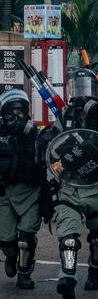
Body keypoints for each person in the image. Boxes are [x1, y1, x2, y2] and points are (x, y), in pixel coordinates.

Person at [45, 68, 98, 299]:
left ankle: (95, 270)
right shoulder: (65, 115)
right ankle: (67, 278)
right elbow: (53, 143)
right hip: (70, 183)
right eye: (76, 89)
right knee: (69, 238)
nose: (81, 95)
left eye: (85, 88)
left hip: (97, 183)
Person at [0, 90, 43, 289]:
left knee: (26, 237)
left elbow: (46, 162)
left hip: (29, 191)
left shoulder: (34, 134)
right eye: (11, 113)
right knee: (7, 240)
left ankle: (24, 273)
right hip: (4, 193)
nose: (16, 118)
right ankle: (10, 257)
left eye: (20, 112)